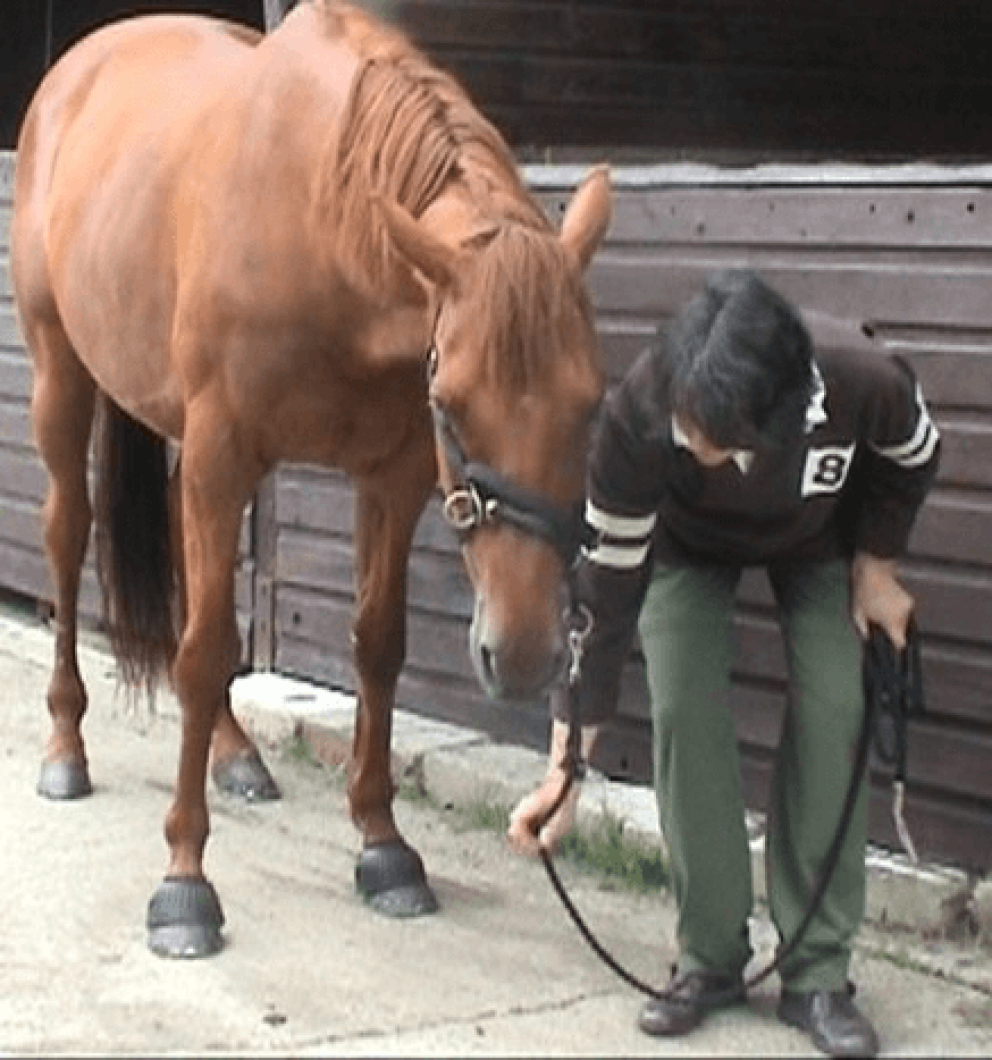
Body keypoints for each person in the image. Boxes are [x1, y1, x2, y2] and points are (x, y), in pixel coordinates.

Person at [508, 269, 940, 1058]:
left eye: (707, 436)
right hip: (685, 547)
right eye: (686, 423)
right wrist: (565, 771)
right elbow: (602, 599)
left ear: (773, 421)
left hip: (818, 541)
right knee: (680, 701)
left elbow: (915, 453)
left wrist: (878, 564)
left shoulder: (858, 379)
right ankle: (708, 956)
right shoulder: (639, 418)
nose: (688, 440)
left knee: (835, 704)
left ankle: (816, 973)